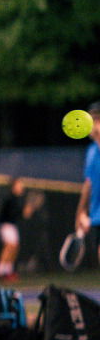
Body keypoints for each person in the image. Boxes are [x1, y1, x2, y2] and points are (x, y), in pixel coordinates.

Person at [0, 176, 43, 282]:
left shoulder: (18, 199)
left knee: (15, 247)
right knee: (9, 246)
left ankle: (8, 271)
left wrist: (26, 212)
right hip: (5, 225)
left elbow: (21, 215)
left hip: (12, 225)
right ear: (13, 187)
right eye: (19, 184)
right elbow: (13, 213)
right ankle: (0, 272)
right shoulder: (10, 198)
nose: (21, 186)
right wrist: (24, 212)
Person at [73, 101, 100, 265]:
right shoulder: (91, 151)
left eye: (97, 119)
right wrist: (81, 213)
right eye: (90, 120)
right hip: (97, 215)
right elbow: (88, 184)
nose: (93, 125)